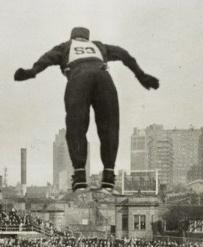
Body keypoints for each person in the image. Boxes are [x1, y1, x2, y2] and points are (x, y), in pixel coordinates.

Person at [14, 27, 159, 194]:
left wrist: (31, 72)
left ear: (73, 37)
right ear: (87, 38)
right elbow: (123, 54)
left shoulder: (65, 46)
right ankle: (109, 177)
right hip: (104, 78)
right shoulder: (99, 46)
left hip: (78, 79)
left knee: (76, 126)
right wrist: (141, 75)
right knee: (109, 127)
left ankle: (80, 176)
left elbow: (46, 59)